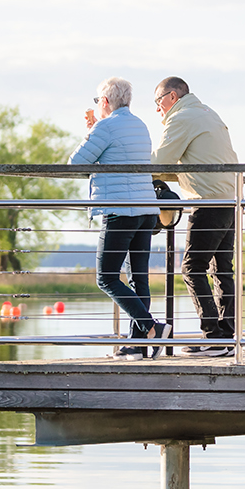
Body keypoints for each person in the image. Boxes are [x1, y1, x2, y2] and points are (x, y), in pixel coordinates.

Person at [69, 77, 167, 360]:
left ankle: (152, 327)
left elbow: (75, 164)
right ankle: (137, 345)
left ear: (105, 101)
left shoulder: (105, 126)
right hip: (146, 211)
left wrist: (91, 131)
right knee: (138, 280)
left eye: (97, 100)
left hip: (120, 211)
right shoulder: (140, 125)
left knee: (106, 277)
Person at [152, 76, 239, 357]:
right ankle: (227, 337)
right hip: (230, 200)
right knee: (222, 269)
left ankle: (213, 337)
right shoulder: (208, 113)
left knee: (192, 268)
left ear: (172, 97)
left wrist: (131, 173)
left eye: (158, 101)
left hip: (207, 202)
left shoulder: (181, 118)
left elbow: (157, 162)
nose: (157, 108)